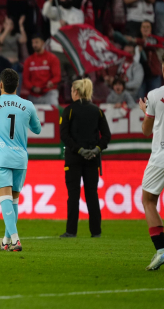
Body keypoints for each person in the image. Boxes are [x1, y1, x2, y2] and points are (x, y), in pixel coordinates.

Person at [0, 69, 42, 252]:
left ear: (1, 85)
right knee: (13, 201)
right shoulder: (28, 105)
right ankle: (6, 240)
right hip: (20, 159)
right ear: (17, 86)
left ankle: (16, 240)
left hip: (1, 158)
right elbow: (37, 129)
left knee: (5, 199)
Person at [137, 51, 164, 271]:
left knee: (148, 201)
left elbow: (146, 131)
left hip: (162, 157)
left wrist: (145, 111)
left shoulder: (154, 95)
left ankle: (162, 251)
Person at [59, 79, 111, 239]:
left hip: (74, 159)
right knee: (92, 195)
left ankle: (71, 231)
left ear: (75, 92)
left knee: (73, 195)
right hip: (93, 159)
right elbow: (107, 135)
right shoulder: (97, 111)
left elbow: (64, 135)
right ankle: (96, 231)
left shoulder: (68, 110)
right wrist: (96, 149)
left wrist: (79, 150)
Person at [22, 35, 61, 105]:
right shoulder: (28, 60)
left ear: (42, 43)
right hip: (33, 94)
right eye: (33, 43)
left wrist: (51, 82)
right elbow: (25, 79)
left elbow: (57, 76)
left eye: (36, 42)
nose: (34, 45)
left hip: (48, 92)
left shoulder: (52, 58)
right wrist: (33, 88)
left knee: (54, 105)